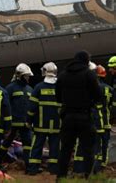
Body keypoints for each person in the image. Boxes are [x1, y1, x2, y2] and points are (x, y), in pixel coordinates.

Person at [56, 51, 102, 179]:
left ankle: (61, 178)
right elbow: (98, 95)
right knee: (88, 150)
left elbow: (58, 98)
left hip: (68, 117)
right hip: (84, 117)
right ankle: (89, 177)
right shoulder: (89, 74)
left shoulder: (63, 75)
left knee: (65, 150)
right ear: (86, 61)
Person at [26, 62, 60, 175]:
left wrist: (29, 121)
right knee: (55, 147)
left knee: (37, 147)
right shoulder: (60, 87)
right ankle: (54, 169)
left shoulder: (38, 87)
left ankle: (33, 169)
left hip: (40, 125)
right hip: (56, 125)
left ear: (45, 72)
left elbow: (32, 108)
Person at [0, 63, 33, 166]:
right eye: (26, 76)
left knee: (28, 144)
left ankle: (29, 167)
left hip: (25, 123)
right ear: (20, 76)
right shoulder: (10, 88)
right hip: (13, 123)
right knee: (6, 142)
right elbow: (4, 105)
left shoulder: (30, 89)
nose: (28, 78)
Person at [96, 65, 114, 170]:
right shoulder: (110, 89)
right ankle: (103, 164)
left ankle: (96, 165)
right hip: (106, 121)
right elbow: (112, 106)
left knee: (96, 144)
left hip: (96, 121)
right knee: (105, 144)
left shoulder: (93, 88)